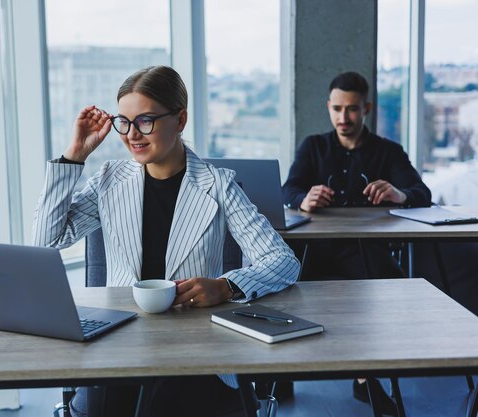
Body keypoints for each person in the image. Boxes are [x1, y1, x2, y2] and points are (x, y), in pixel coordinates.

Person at [33, 65, 300, 417]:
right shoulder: (110, 180)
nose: (132, 134)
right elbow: (47, 240)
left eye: (146, 121)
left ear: (180, 120)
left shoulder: (218, 184)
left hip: (197, 345)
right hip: (120, 341)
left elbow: (283, 261)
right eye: (124, 122)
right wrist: (75, 155)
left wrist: (227, 286)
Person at [282, 71, 432, 416]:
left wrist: (400, 193)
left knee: (371, 291)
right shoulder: (314, 146)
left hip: (365, 250)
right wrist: (303, 198)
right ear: (328, 107)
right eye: (336, 109)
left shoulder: (388, 151)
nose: (343, 118)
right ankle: (282, 373)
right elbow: (287, 190)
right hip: (315, 250)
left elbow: (422, 193)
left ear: (366, 107)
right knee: (285, 287)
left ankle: (365, 377)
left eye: (351, 109)